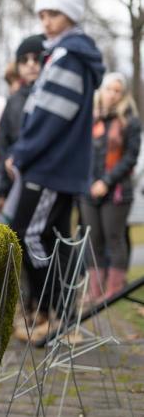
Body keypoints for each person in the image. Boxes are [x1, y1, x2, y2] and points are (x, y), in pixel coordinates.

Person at [6, 0, 104, 336]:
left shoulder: (69, 57)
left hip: (49, 167)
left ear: (72, 15)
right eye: (42, 14)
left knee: (27, 235)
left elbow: (49, 117)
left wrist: (22, 153)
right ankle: (58, 316)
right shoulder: (64, 54)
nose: (46, 21)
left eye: (55, 14)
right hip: (56, 166)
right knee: (51, 239)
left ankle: (49, 313)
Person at [81, 73, 141, 302]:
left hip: (117, 192)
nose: (113, 94)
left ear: (123, 94)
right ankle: (95, 291)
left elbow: (131, 157)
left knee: (114, 238)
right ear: (102, 91)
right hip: (88, 190)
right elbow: (82, 155)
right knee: (93, 239)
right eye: (109, 89)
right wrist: (89, 184)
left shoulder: (130, 121)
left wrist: (106, 181)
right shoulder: (91, 119)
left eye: (118, 90)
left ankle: (115, 289)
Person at [0, 34, 46, 209]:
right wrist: (1, 190)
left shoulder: (51, 95)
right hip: (16, 181)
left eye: (36, 58)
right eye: (24, 60)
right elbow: (3, 143)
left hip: (47, 179)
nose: (31, 64)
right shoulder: (13, 100)